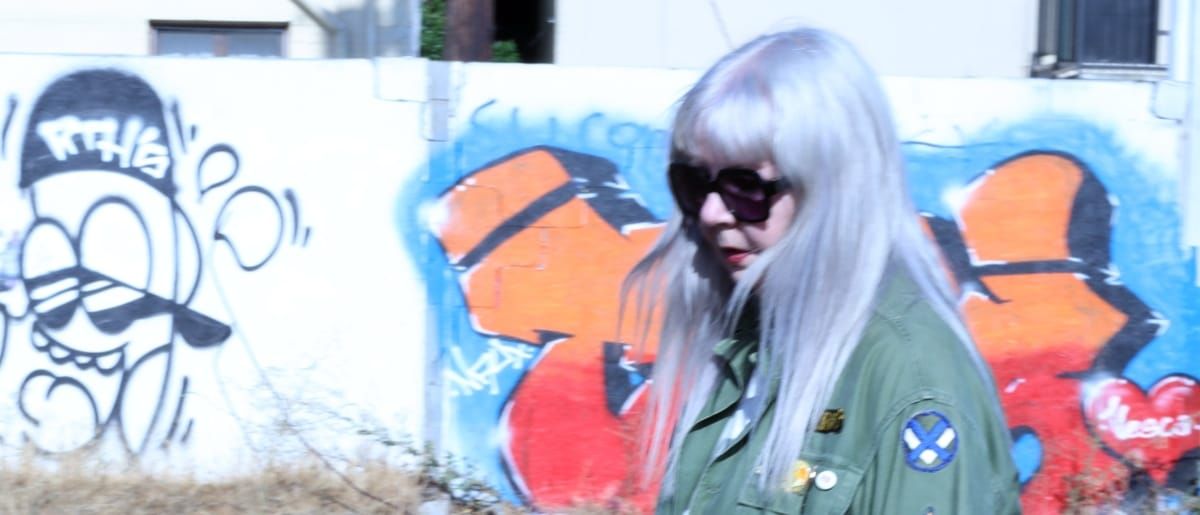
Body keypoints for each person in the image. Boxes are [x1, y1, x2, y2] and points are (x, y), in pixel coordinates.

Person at [624, 28, 1021, 514]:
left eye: (745, 186)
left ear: (833, 188)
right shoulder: (754, 344)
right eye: (694, 182)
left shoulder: (909, 374)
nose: (711, 213)